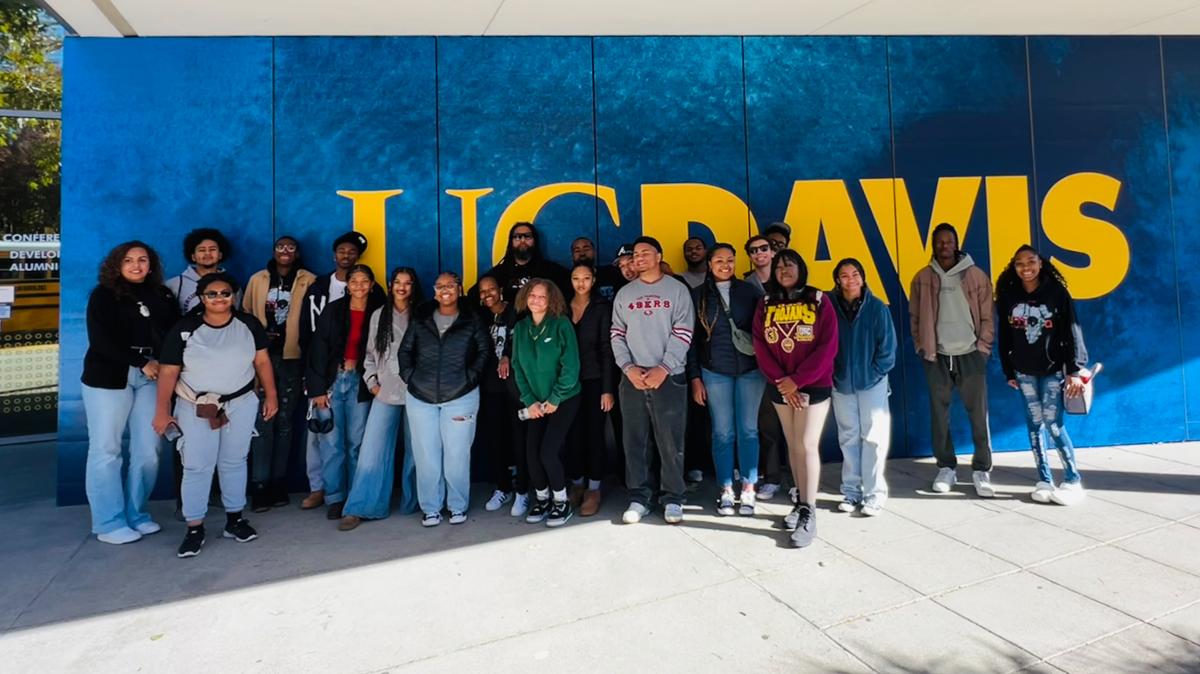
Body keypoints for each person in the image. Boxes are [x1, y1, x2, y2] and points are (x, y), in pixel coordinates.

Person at [153, 272, 278, 558]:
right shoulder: (185, 329)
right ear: (201, 297)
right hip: (195, 407)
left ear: (233, 295)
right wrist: (162, 411)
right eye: (212, 294)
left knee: (234, 462)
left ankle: (235, 520)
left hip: (240, 403)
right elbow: (169, 371)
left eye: (225, 293)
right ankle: (194, 527)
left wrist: (271, 395)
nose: (219, 298)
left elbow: (262, 360)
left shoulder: (248, 324)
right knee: (197, 466)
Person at [81, 241, 179, 544]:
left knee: (149, 450)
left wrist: (165, 364)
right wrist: (141, 361)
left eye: (142, 260)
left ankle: (137, 514)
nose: (136, 265)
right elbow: (100, 340)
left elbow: (175, 334)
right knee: (106, 451)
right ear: (117, 264)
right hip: (109, 377)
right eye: (128, 260)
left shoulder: (162, 294)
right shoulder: (103, 295)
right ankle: (109, 523)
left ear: (151, 265)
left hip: (152, 377)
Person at [752, 249, 838, 548]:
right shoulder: (765, 302)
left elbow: (828, 346)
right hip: (779, 385)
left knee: (806, 444)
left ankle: (809, 510)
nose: (784, 270)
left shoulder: (818, 299)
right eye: (779, 267)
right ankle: (800, 502)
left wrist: (798, 380)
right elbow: (760, 344)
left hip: (813, 385)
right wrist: (783, 382)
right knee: (793, 445)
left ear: (801, 268)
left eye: (790, 265)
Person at [297, 231, 385, 510]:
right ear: (347, 285)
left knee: (357, 443)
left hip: (361, 382)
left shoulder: (379, 311)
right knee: (331, 444)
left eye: (364, 281)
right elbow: (317, 350)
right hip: (333, 382)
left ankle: (356, 497)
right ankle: (335, 497)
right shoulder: (333, 310)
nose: (358, 285)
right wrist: (318, 389)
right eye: (354, 281)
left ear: (371, 286)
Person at [611, 236, 695, 525]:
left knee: (671, 441)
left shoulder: (677, 290)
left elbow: (684, 331)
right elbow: (616, 334)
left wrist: (664, 368)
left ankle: (673, 497)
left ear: (659, 256)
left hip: (669, 376)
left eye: (646, 252)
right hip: (633, 377)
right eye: (636, 254)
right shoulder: (625, 294)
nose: (640, 258)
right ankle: (639, 497)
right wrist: (628, 368)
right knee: (635, 440)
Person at [995, 245, 1088, 506]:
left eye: (1031, 262)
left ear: (1040, 263)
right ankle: (1044, 479)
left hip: (1052, 372)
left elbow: (1072, 332)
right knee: (1034, 426)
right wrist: (1008, 370)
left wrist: (1073, 370)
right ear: (1014, 267)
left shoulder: (1057, 293)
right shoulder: (1008, 296)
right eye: (1020, 263)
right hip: (1023, 373)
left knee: (1054, 424)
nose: (1026, 268)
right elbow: (1005, 336)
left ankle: (1072, 480)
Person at [397, 272, 491, 527]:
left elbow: (484, 352)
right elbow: (405, 351)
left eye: (450, 285)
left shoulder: (472, 318)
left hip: (461, 396)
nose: (445, 290)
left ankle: (457, 505)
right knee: (426, 454)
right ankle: (431, 508)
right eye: (439, 286)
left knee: (457, 455)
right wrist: (411, 378)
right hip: (421, 396)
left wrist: (469, 378)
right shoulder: (421, 317)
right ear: (434, 291)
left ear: (460, 289)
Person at [909, 223, 995, 497]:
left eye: (949, 241)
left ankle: (981, 469)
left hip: (970, 354)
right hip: (938, 356)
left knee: (978, 415)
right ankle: (946, 467)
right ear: (932, 245)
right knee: (939, 415)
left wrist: (982, 347)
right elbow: (915, 318)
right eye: (939, 242)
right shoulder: (922, 277)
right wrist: (923, 346)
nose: (944, 246)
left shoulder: (976, 276)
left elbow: (986, 317)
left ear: (957, 243)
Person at [338, 267, 422, 530]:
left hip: (417, 393)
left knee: (417, 450)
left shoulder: (422, 315)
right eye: (397, 282)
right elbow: (371, 355)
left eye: (408, 283)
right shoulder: (379, 315)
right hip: (385, 391)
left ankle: (417, 503)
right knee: (372, 450)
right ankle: (362, 506)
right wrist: (372, 383)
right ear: (389, 285)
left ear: (414, 287)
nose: (402, 287)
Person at [687, 243, 765, 516]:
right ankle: (725, 488)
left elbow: (764, 333)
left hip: (751, 371)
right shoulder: (697, 295)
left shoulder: (749, 292)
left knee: (749, 431)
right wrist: (695, 378)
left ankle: (748, 487)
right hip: (714, 371)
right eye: (719, 260)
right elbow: (692, 342)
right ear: (709, 264)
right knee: (722, 432)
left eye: (730, 260)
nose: (725, 265)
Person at [242, 234, 316, 511]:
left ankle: (278, 482)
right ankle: (260, 485)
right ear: (273, 251)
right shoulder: (257, 279)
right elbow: (246, 314)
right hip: (262, 357)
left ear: (297, 252)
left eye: (291, 247)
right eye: (280, 247)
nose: (285, 250)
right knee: (263, 421)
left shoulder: (308, 279)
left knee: (285, 420)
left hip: (292, 358)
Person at [512, 279, 582, 527]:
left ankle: (561, 502)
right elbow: (517, 367)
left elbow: (571, 366)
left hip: (564, 399)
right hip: (535, 404)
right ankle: (542, 499)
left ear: (551, 300)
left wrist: (555, 398)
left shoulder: (561, 325)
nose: (536, 300)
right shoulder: (520, 328)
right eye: (532, 295)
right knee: (531, 454)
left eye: (542, 297)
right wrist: (530, 401)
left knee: (548, 452)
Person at [830, 258, 897, 517]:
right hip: (842, 383)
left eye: (855, 274)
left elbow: (888, 349)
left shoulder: (877, 308)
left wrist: (875, 372)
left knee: (873, 438)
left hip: (873, 383)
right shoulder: (830, 307)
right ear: (837, 279)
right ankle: (851, 491)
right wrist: (834, 373)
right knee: (848, 437)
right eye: (845, 275)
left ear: (863, 277)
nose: (851, 279)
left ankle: (874, 494)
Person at [476, 275, 529, 517]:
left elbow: (521, 340)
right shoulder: (481, 316)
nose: (487, 294)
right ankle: (503, 487)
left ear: (500, 289)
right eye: (482, 291)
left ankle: (523, 490)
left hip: (515, 385)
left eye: (491, 289)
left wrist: (507, 354)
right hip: (490, 386)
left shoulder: (516, 312)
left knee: (520, 437)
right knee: (496, 439)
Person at [566, 263, 615, 516]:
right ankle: (576, 484)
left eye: (586, 278)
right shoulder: (561, 306)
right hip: (567, 382)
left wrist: (607, 390)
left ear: (594, 280)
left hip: (595, 379)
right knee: (573, 434)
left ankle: (594, 488)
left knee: (595, 434)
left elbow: (607, 350)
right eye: (576, 278)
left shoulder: (601, 308)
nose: (581, 283)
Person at [744, 234, 786, 500]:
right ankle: (772, 478)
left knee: (798, 429)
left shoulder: (790, 279)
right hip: (762, 366)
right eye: (753, 250)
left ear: (772, 252)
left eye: (764, 248)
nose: (759, 253)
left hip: (793, 364)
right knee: (767, 426)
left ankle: (799, 480)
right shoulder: (746, 286)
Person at [474, 221, 569, 304]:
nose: (522, 240)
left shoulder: (551, 270)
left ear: (535, 241)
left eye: (527, 237)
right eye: (517, 237)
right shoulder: (499, 273)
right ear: (511, 242)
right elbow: (473, 295)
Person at [165, 227, 237, 314]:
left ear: (220, 255)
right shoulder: (174, 285)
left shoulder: (232, 284)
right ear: (193, 256)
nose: (207, 253)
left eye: (212, 249)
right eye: (202, 250)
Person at [570, 237, 625, 302]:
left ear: (594, 252)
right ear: (572, 256)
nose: (582, 253)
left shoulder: (612, 273)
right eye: (577, 251)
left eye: (586, 249)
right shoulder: (565, 280)